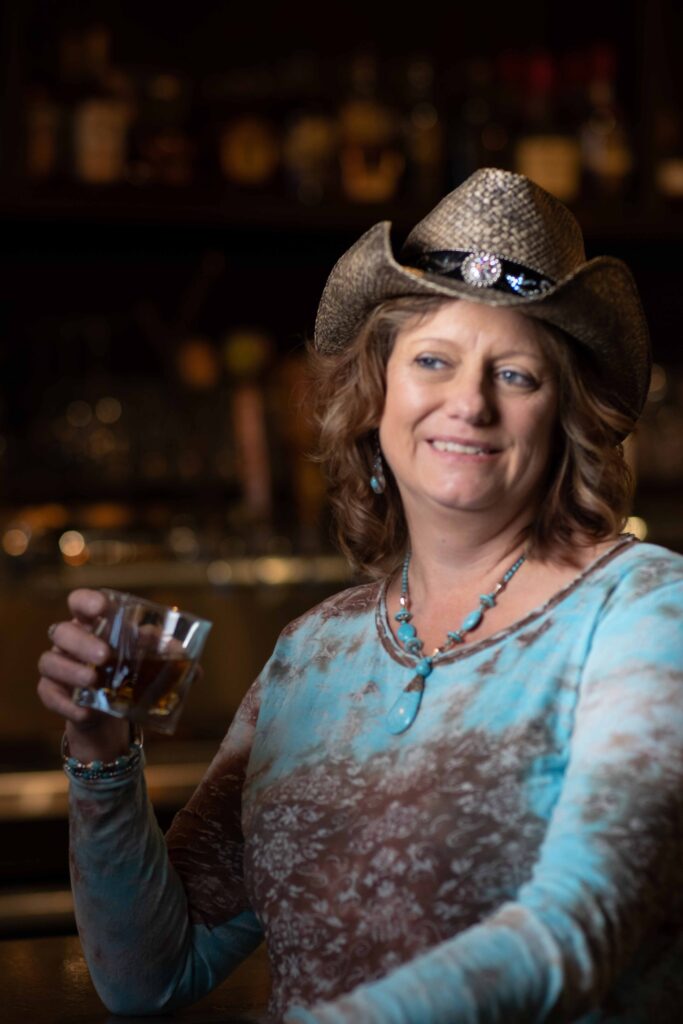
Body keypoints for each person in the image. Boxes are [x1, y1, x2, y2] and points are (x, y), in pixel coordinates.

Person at [37, 167, 683, 1023]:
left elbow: (575, 930)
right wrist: (101, 752)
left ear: (565, 417)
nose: (469, 404)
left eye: (517, 375)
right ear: (375, 395)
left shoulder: (642, 608)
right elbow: (148, 974)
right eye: (431, 360)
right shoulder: (314, 651)